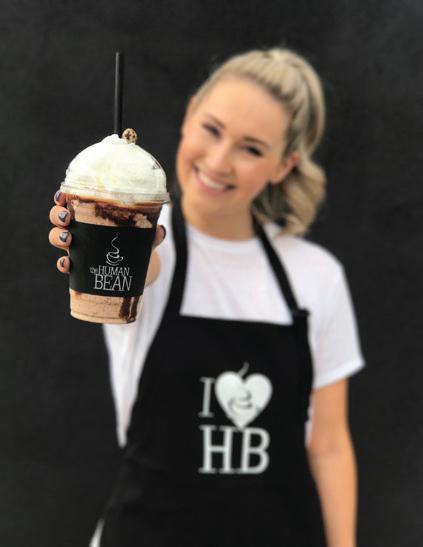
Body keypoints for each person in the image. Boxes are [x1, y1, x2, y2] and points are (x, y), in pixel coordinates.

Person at [49, 47, 365, 547]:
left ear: (284, 165)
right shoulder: (151, 248)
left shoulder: (316, 275)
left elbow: (328, 446)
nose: (219, 162)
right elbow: (142, 270)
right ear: (190, 112)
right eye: (212, 129)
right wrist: (102, 235)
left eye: (251, 149)